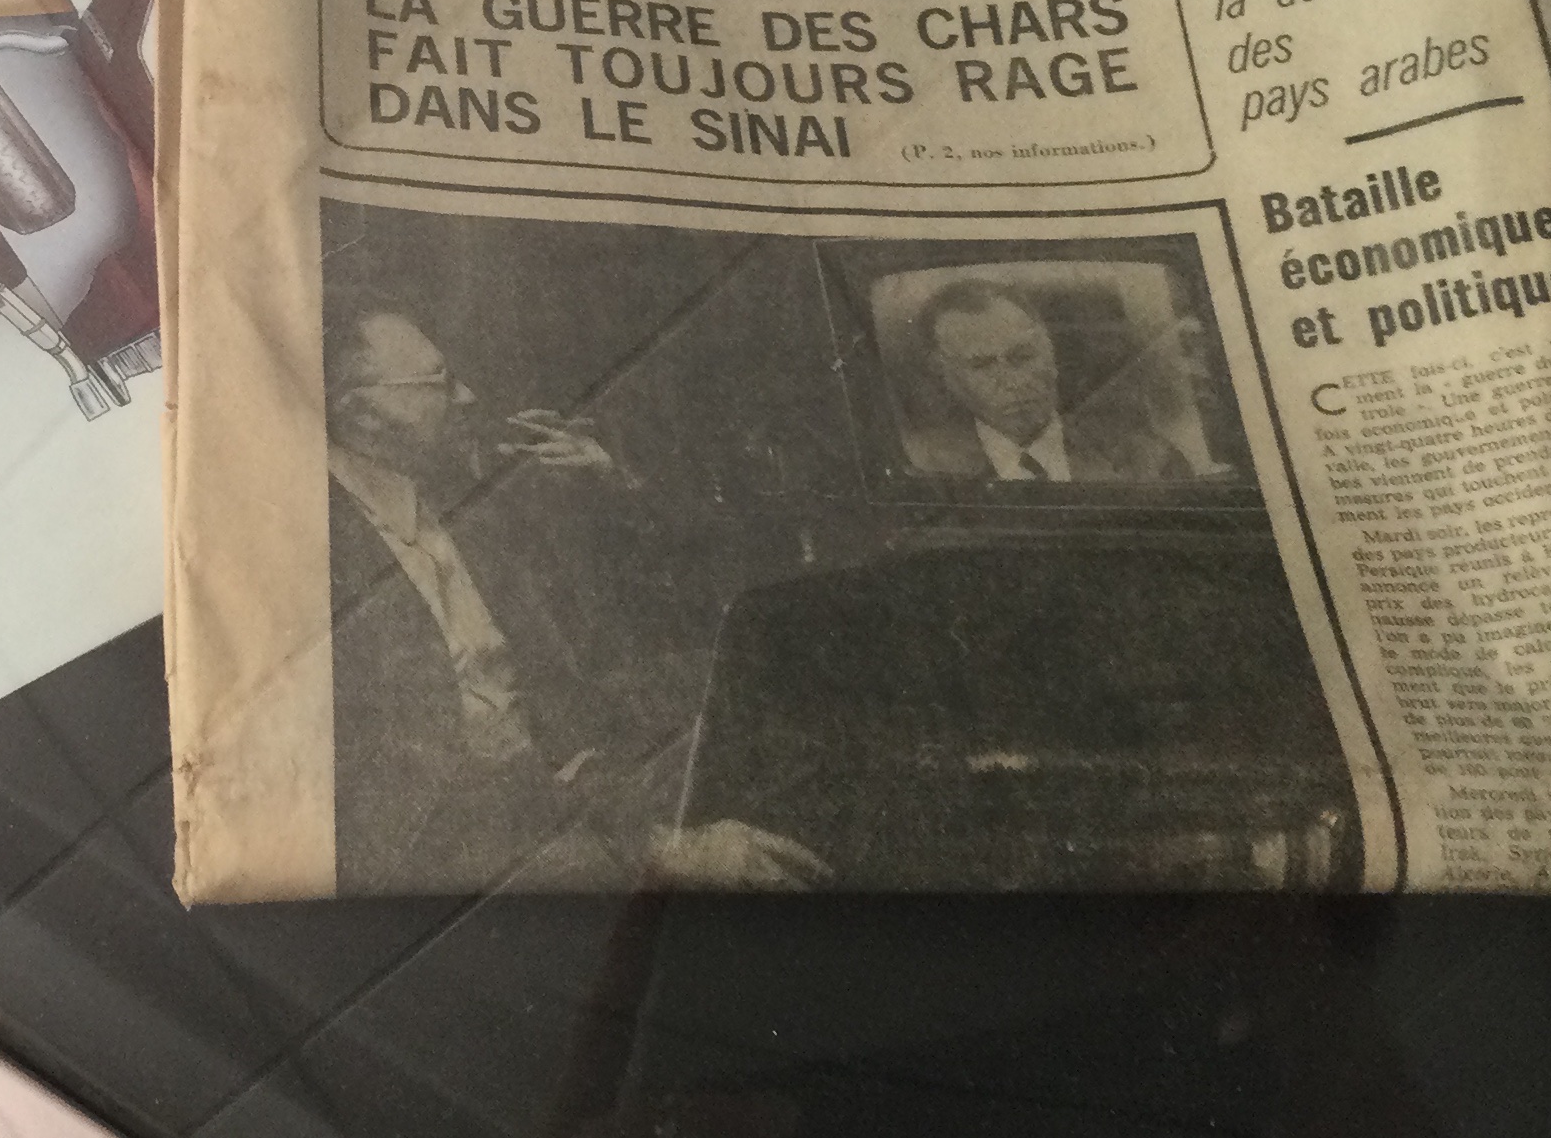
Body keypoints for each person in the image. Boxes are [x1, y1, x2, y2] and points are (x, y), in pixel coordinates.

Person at [321, 304, 820, 891]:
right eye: (439, 383)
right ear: (363, 414)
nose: (468, 396)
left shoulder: (448, 482)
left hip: (561, 747)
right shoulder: (325, 548)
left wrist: (604, 480)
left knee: (777, 685)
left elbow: (604, 604)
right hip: (476, 828)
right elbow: (421, 794)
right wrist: (657, 847)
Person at [883, 277, 1193, 484]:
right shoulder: (925, 468)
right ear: (944, 374)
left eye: (1023, 357)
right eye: (982, 365)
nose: (1012, 381)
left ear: (1050, 351)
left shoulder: (1149, 461)